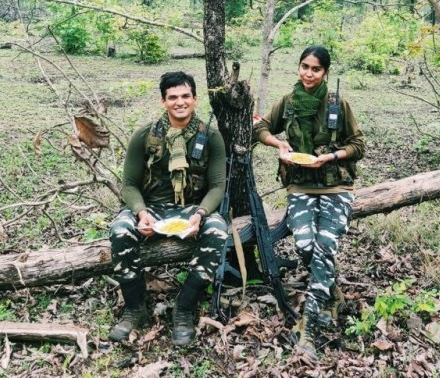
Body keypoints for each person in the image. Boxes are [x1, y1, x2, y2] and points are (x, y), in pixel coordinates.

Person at [253, 45, 365, 358]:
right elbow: (260, 127)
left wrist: (330, 157)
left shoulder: (337, 104)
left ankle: (310, 330)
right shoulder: (288, 103)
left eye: (315, 69)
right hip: (300, 187)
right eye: (304, 67)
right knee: (304, 246)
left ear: (325, 72)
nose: (308, 74)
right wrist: (279, 143)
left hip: (335, 188)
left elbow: (359, 145)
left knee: (324, 248)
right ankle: (331, 292)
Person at [109, 71, 228, 346]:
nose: (180, 102)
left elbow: (217, 187)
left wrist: (200, 215)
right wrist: (141, 213)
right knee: (120, 230)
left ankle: (184, 309)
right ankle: (135, 308)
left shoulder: (210, 137)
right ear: (163, 101)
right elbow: (128, 184)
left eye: (185, 96)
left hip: (192, 209)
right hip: (151, 208)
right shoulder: (145, 136)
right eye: (172, 97)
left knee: (219, 231)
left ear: (195, 99)